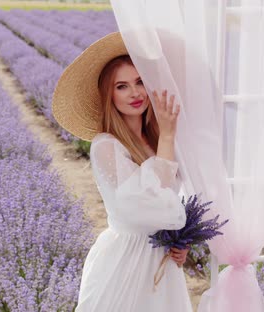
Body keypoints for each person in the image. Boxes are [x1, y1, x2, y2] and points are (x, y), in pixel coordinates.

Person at [52, 32, 192, 311]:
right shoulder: (106, 147)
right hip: (127, 261)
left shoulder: (154, 139)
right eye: (122, 86)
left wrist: (181, 241)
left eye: (140, 82)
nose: (136, 93)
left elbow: (179, 198)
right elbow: (150, 205)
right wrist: (167, 137)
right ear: (109, 95)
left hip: (161, 261)